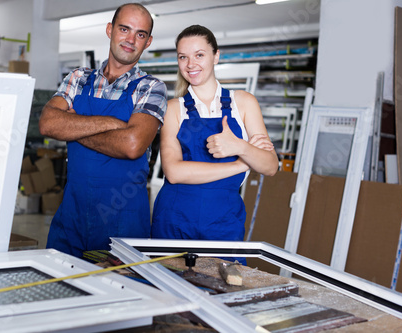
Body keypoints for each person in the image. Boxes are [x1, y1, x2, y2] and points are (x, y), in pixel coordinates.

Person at [39, 3, 167, 258]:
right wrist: (113, 125)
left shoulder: (152, 88)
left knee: (119, 294)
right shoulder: (78, 78)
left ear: (148, 41)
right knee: (60, 291)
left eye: (140, 34)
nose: (130, 39)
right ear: (110, 30)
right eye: (124, 29)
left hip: (123, 223)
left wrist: (74, 126)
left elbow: (132, 145)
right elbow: (48, 124)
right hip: (72, 217)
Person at [151, 25, 278, 264]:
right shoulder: (173, 109)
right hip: (174, 218)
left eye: (199, 55)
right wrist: (242, 163)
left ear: (216, 55)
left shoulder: (244, 103)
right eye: (183, 57)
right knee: (168, 291)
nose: (191, 64)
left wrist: (239, 147)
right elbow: (174, 172)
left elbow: (270, 166)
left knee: (224, 292)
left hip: (224, 220)